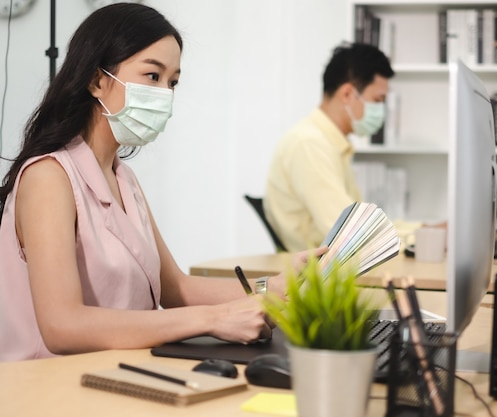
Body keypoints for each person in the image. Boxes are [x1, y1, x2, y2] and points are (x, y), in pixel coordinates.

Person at [0, 3, 323, 362]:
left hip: (118, 372)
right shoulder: (48, 177)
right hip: (48, 391)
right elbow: (62, 326)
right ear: (97, 80)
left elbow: (176, 289)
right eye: (153, 77)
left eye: (173, 82)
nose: (165, 95)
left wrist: (276, 284)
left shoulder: (123, 177)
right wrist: (213, 319)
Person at [264, 42, 394, 252]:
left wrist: (422, 232)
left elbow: (363, 225)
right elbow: (351, 234)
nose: (380, 110)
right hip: (318, 277)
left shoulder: (330, 144)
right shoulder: (310, 144)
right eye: (377, 100)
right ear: (347, 94)